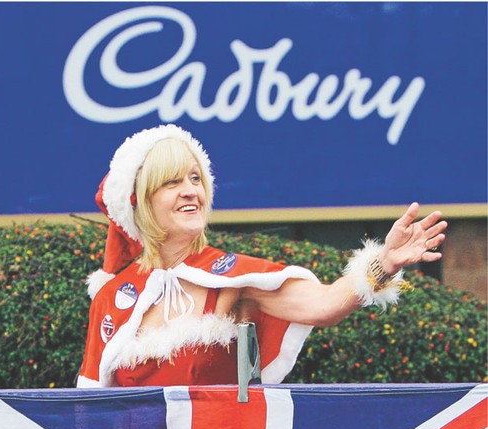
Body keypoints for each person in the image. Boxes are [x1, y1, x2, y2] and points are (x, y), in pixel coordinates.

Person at [77, 123, 446, 388]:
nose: (191, 191)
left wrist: (385, 262)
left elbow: (324, 305)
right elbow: (88, 409)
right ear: (141, 202)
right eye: (172, 182)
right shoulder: (112, 296)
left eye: (195, 179)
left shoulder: (230, 276)